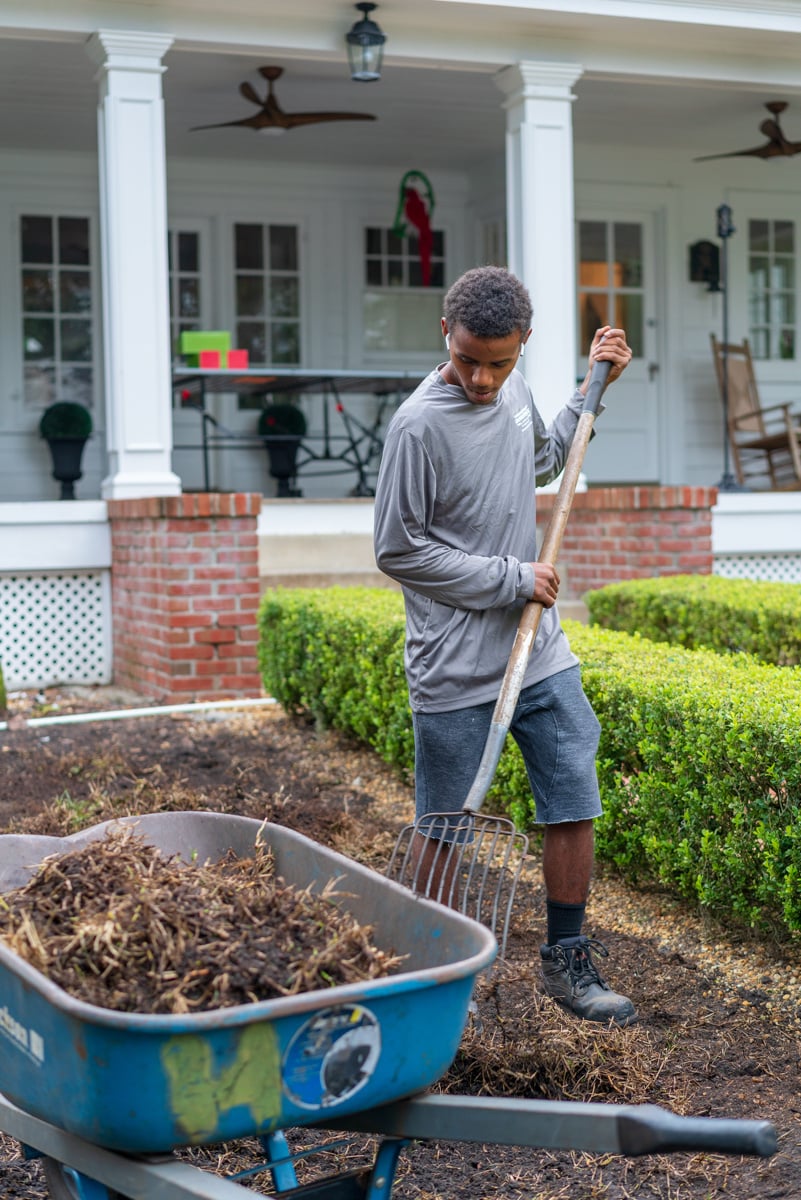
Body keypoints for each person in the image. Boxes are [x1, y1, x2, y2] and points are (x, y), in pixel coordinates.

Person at [373, 265, 635, 1026]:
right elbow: (398, 550)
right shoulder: (418, 425)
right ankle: (428, 977)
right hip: (455, 664)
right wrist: (510, 576)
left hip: (538, 649)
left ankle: (566, 962)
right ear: (443, 338)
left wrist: (593, 389)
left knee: (571, 789)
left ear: (522, 345)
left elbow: (543, 459)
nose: (482, 379)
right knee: (445, 824)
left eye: (499, 361)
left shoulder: (512, 389)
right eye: (467, 360)